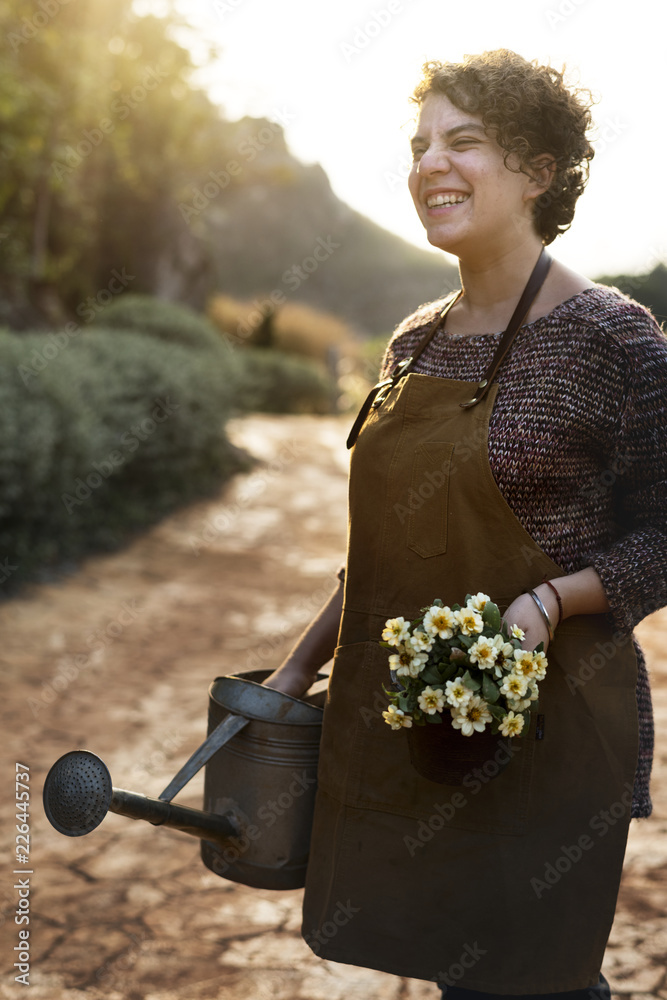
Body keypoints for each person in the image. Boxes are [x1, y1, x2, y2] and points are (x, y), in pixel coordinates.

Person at [265, 49, 667, 998]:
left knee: (540, 977)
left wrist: (547, 603)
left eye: (464, 141)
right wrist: (293, 671)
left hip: (553, 734)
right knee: (461, 974)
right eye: (418, 147)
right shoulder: (412, 344)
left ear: (538, 169)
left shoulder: (614, 339)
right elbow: (380, 554)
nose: (428, 165)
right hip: (419, 726)